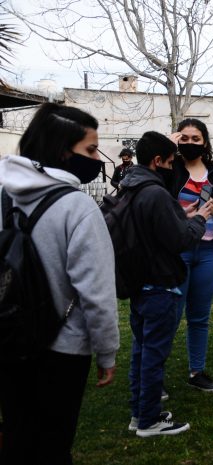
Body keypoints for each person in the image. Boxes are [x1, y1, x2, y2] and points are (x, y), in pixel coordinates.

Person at [0, 103, 120, 464]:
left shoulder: (4, 195)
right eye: (90, 149)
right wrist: (107, 350)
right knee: (53, 441)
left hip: (8, 337)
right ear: (61, 150)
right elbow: (96, 292)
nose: (98, 158)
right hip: (63, 347)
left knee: (18, 434)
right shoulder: (77, 208)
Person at [122, 131, 213, 437]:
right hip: (160, 285)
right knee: (153, 357)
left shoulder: (132, 187)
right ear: (158, 161)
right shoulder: (156, 193)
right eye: (171, 160)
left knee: (141, 351)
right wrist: (199, 217)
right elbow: (180, 240)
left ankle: (140, 413)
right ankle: (149, 421)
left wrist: (180, 214)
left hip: (140, 284)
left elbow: (156, 229)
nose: (173, 166)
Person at [168, 118, 213, 393]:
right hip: (177, 251)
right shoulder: (169, 170)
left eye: (194, 139)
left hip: (209, 252)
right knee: (170, 315)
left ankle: (196, 372)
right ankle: (153, 375)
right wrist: (166, 145)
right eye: (183, 138)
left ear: (205, 142)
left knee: (199, 316)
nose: (189, 143)